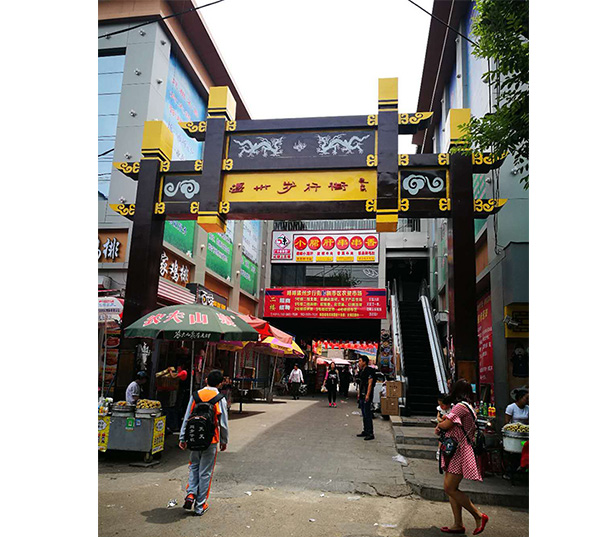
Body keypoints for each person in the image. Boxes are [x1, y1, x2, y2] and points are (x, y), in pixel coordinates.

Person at [435, 379, 489, 535]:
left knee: (449, 487)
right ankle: (458, 524)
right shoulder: (469, 406)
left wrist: (439, 424)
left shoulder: (460, 407)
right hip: (457, 450)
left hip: (458, 450)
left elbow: (446, 424)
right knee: (452, 489)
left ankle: (479, 516)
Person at [179, 369, 229, 517]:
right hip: (210, 440)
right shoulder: (220, 398)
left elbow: (187, 417)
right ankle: (200, 506)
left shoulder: (196, 395)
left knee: (194, 466)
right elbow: (223, 424)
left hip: (193, 438)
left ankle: (190, 493)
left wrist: (182, 438)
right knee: (205, 472)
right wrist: (224, 441)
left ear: (206, 380)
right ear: (220, 384)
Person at [356, 355, 376, 441]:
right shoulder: (362, 371)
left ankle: (370, 433)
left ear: (364, 362)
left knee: (367, 414)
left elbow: (370, 383)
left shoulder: (369, 370)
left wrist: (367, 395)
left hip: (367, 395)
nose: (359, 363)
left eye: (360, 361)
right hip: (362, 395)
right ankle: (365, 430)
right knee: (364, 414)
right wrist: (359, 394)